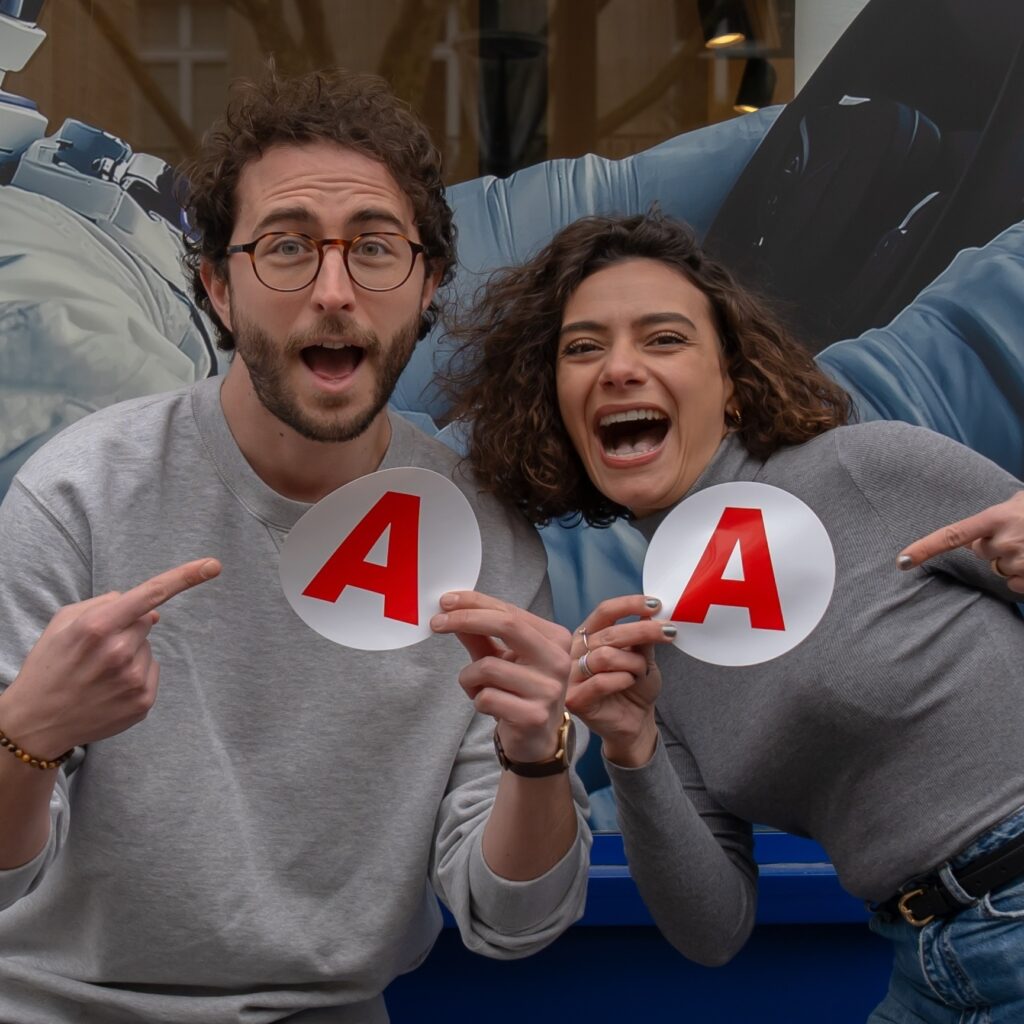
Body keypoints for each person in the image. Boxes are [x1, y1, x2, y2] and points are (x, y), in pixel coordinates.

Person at [0, 68, 590, 1024]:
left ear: (429, 284)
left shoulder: (485, 539)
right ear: (217, 288)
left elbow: (512, 922)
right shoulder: (81, 492)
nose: (333, 292)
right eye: (285, 248)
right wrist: (27, 736)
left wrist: (537, 756)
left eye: (375, 249)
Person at [444, 212, 1024, 1022]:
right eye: (582, 349)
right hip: (925, 959)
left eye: (664, 339)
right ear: (552, 404)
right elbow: (712, 930)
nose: (619, 368)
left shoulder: (869, 469)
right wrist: (632, 746)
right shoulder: (654, 647)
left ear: (733, 381)